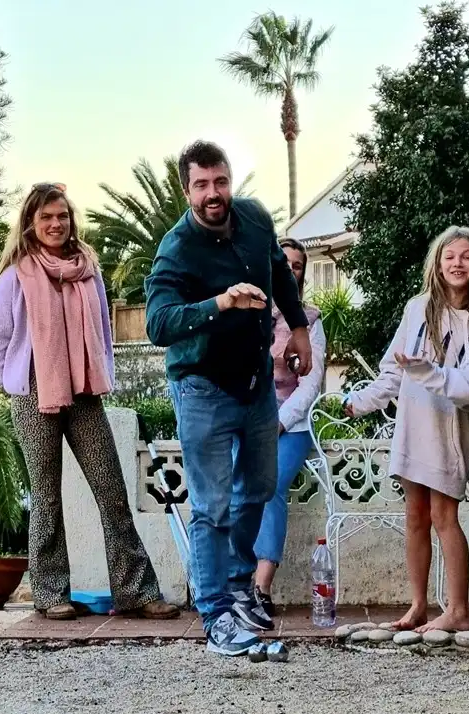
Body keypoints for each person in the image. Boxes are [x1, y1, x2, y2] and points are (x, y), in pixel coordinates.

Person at [145, 141, 312, 656]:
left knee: (258, 488)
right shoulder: (177, 249)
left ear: (229, 181)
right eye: (201, 184)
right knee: (212, 505)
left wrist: (299, 328)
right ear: (186, 189)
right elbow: (158, 324)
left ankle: (239, 582)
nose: (213, 193)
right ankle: (216, 612)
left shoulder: (256, 219)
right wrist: (219, 302)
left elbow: (279, 272)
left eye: (220, 182)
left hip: (255, 384)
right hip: (200, 386)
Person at [0, 183, 178, 621]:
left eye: (62, 216)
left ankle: (136, 591)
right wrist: (14, 382)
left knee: (111, 490)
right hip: (34, 390)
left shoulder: (87, 271)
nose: (56, 224)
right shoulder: (16, 277)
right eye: (46, 218)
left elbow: (105, 338)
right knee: (47, 496)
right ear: (31, 225)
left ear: (71, 220)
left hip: (85, 389)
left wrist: (98, 373)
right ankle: (51, 593)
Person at [345, 225, 469, 633]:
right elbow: (394, 369)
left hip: (448, 429)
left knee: (444, 516)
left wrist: (428, 371)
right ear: (437, 262)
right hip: (412, 424)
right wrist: (360, 403)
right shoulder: (418, 308)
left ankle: (458, 610)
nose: (457, 263)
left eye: (467, 256)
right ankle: (417, 605)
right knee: (414, 516)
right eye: (450, 256)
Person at [253, 238, 326, 617]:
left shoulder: (310, 321)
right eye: (284, 262)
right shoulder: (250, 312)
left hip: (289, 427)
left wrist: (278, 424)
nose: (290, 269)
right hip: (246, 421)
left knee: (270, 486)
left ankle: (261, 587)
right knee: (232, 490)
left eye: (297, 265)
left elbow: (311, 385)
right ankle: (232, 585)